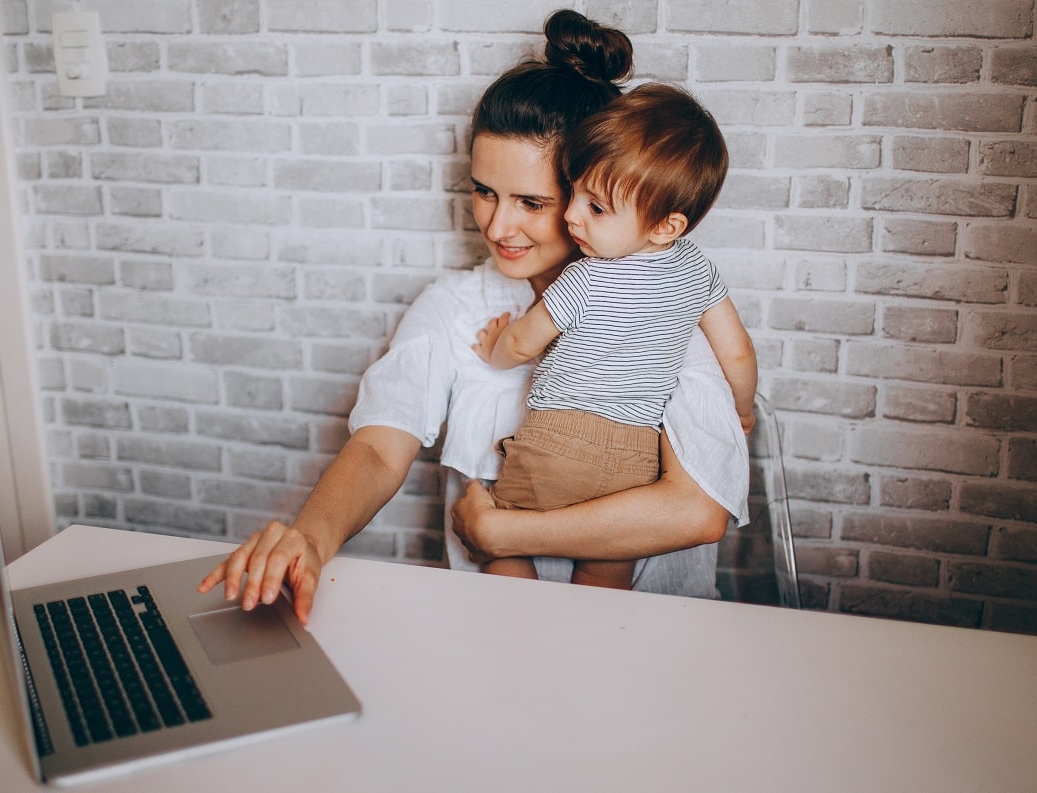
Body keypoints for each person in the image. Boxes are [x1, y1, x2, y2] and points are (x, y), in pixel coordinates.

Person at [197, 9, 750, 624]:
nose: (496, 225)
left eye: (531, 202)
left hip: (655, 644)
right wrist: (312, 537)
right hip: (494, 644)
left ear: (596, 194)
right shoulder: (457, 306)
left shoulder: (660, 315)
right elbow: (381, 447)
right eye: (484, 190)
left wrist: (503, 536)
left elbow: (698, 511)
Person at [473, 82, 757, 589]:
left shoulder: (584, 278)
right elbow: (736, 352)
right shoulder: (698, 272)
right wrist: (742, 409)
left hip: (554, 443)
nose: (571, 214)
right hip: (634, 459)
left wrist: (493, 349)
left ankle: (512, 626)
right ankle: (590, 654)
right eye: (575, 193)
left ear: (667, 226)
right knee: (607, 570)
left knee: (499, 541)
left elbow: (521, 344)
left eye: (596, 208)